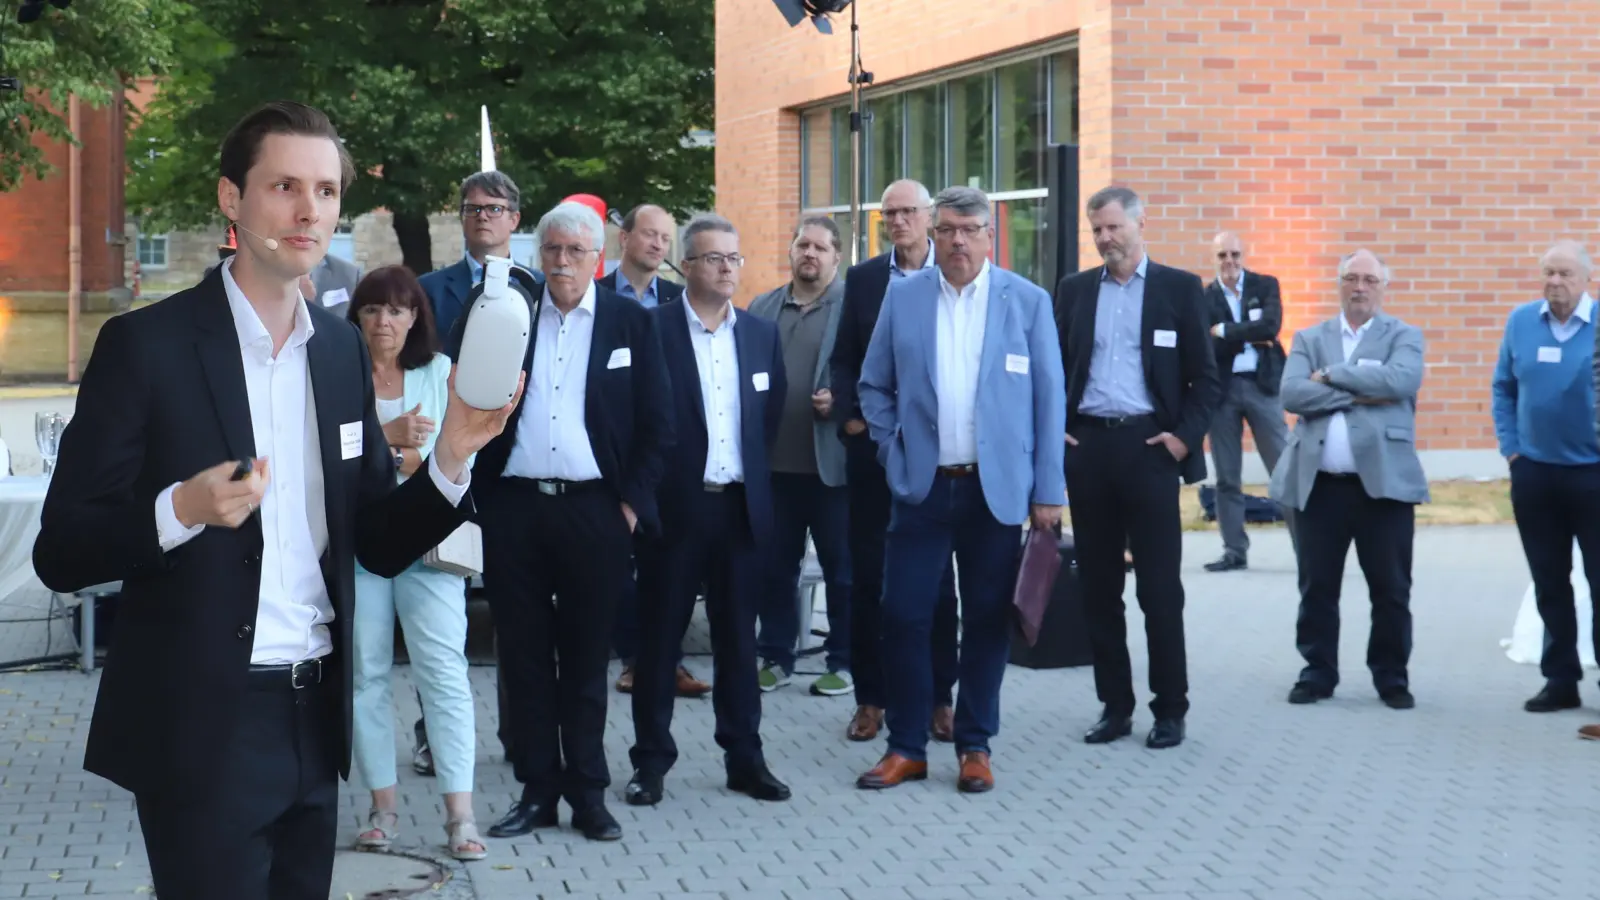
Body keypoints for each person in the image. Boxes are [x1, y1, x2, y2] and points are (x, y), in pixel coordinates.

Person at [30, 101, 519, 900]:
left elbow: (373, 540)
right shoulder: (146, 347)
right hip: (203, 720)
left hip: (314, 713)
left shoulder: (337, 352)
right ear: (231, 200)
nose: (308, 210)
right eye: (284, 185)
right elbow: (60, 551)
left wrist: (454, 454)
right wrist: (177, 511)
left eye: (326, 191)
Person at [455, 201, 674, 843]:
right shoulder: (510, 318)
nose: (561, 262)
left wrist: (629, 506)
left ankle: (588, 795)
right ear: (537, 254)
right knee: (522, 658)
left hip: (595, 512)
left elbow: (660, 426)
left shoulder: (632, 323)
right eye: (551, 250)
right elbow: (472, 394)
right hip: (516, 509)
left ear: (597, 257)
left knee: (584, 658)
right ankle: (536, 794)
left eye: (575, 252)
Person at [854, 186, 1065, 792]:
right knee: (904, 617)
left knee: (986, 622)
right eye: (946, 229)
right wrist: (893, 447)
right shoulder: (905, 296)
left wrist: (1047, 491)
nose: (957, 241)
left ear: (989, 236)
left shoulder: (1025, 302)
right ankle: (907, 746)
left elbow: (1050, 402)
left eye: (970, 229)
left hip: (993, 493)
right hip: (920, 489)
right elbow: (874, 385)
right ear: (931, 232)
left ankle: (975, 745)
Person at [624, 214, 793, 806]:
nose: (727, 269)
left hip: (740, 511)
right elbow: (638, 422)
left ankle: (745, 758)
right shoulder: (652, 330)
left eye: (734, 258)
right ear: (687, 267)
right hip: (674, 512)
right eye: (714, 258)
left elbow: (766, 421)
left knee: (738, 644)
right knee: (660, 643)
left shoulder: (760, 334)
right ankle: (650, 763)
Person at [1053, 185, 1219, 751]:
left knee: (1159, 590)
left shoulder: (1178, 289)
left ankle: (1170, 709)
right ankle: (1114, 707)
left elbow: (1207, 379)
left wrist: (1182, 440)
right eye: (1096, 229)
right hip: (1089, 450)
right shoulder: (1075, 292)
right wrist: (1057, 429)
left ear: (1140, 225)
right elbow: (1054, 370)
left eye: (1113, 228)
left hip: (1150, 450)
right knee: (1098, 588)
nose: (1104, 239)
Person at [343, 266, 486, 860]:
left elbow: (463, 456)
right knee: (366, 675)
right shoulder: (339, 376)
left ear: (416, 317)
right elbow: (325, 453)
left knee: (443, 674)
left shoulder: (441, 374)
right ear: (357, 317)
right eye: (372, 309)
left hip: (429, 547)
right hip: (361, 547)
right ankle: (383, 809)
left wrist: (402, 457)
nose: (384, 321)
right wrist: (391, 440)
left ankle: (461, 816)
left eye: (397, 310)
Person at [829, 178, 961, 744]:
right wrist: (856, 421)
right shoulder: (863, 280)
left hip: (939, 459)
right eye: (890, 214)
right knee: (866, 577)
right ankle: (871, 699)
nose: (899, 221)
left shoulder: (953, 275)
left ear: (930, 218)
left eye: (909, 211)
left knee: (936, 584)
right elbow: (843, 362)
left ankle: (938, 697)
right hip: (876, 456)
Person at [1270, 249, 1426, 709]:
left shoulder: (1405, 336)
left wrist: (1333, 378)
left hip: (1384, 487)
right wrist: (1361, 389)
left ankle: (1391, 677)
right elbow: (1292, 392)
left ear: (1383, 287)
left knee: (1391, 589)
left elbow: (1401, 381)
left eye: (1369, 280)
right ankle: (1317, 672)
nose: (1360, 287)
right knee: (1317, 586)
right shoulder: (1309, 336)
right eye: (1351, 278)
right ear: (1339, 284)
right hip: (1320, 485)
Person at [598, 202, 709, 699]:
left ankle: (668, 660)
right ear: (624, 238)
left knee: (668, 564)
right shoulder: (595, 298)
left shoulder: (680, 300)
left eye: (666, 238)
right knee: (620, 565)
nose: (659, 245)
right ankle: (633, 659)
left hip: (672, 456)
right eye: (650, 235)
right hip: (612, 457)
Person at [1491, 240, 1600, 714]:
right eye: (1548, 273)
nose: (1554, 282)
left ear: (1586, 280)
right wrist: (1513, 451)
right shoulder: (1521, 322)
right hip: (1535, 474)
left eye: (1565, 274)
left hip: (1593, 475)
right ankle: (1560, 680)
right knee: (1549, 582)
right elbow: (1503, 387)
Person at [748, 214, 853, 697]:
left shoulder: (852, 307)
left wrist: (842, 399)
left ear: (837, 256)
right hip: (773, 467)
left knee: (842, 569)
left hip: (831, 467)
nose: (809, 254)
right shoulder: (763, 306)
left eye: (820, 248)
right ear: (790, 251)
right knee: (774, 567)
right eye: (802, 245)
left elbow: (873, 372)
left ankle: (844, 660)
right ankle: (775, 655)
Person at [1203, 231, 1292, 572]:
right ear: (1215, 258)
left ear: (1244, 256)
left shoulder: (1265, 285)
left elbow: (1271, 327)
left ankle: (1308, 548)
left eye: (1235, 255)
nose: (1229, 262)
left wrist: (1225, 330)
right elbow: (1205, 345)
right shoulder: (1204, 298)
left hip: (1262, 387)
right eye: (1223, 255)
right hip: (1223, 394)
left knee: (1283, 470)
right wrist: (1248, 334)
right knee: (1227, 477)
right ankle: (1234, 551)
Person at [424, 170, 537, 345]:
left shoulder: (539, 286)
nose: (482, 216)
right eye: (472, 209)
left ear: (514, 220)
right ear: (462, 218)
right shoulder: (428, 290)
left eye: (494, 209)